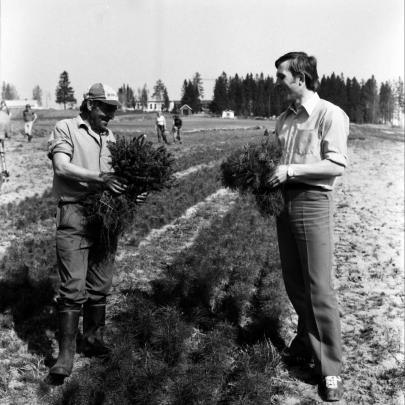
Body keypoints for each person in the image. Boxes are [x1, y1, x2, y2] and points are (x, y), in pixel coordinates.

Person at [46, 83, 146, 384]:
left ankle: (93, 340)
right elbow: (62, 168)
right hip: (75, 213)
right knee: (73, 287)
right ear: (89, 104)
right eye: (106, 108)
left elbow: (116, 180)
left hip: (105, 216)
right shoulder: (66, 127)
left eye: (114, 109)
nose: (111, 115)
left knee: (100, 284)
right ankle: (66, 355)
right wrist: (101, 178)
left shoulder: (110, 137)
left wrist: (130, 193)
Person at [267, 52, 349, 402]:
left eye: (282, 75)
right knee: (295, 282)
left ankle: (331, 370)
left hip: (312, 201)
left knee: (319, 289)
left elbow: (336, 164)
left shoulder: (329, 114)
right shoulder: (284, 120)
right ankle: (305, 344)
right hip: (284, 202)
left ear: (300, 76)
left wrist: (291, 171)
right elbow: (276, 162)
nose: (278, 81)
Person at [0, 101, 11, 178]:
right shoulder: (6, 116)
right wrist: (8, 135)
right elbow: (8, 130)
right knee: (2, 153)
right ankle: (4, 170)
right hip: (1, 138)